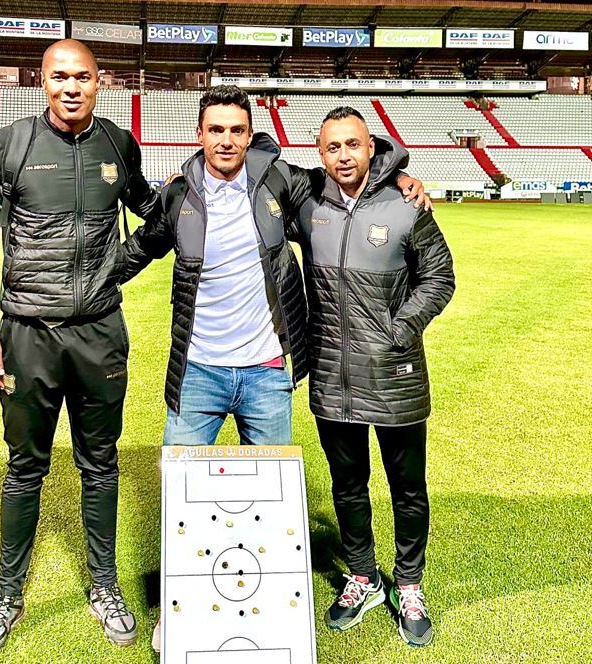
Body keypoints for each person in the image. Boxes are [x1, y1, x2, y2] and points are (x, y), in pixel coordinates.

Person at [120, 85, 430, 652]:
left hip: (266, 370)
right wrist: (81, 288)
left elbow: (349, 175)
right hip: (198, 371)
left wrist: (399, 175)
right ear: (200, 133)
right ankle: (179, 606)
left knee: (269, 501)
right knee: (181, 493)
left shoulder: (278, 181)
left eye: (237, 130)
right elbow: (142, 247)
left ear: (250, 135)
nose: (226, 140)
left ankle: (264, 607)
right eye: (216, 130)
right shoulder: (180, 195)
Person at [0, 39, 160, 657]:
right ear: (42, 81)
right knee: (26, 467)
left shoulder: (118, 146)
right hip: (27, 335)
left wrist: (117, 268)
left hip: (100, 334)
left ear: (101, 82)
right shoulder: (8, 146)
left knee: (99, 463)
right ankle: (8, 592)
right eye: (59, 77)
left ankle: (104, 588)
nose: (71, 87)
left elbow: (157, 221)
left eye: (83, 77)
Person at [290, 107, 455, 646]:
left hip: (394, 371)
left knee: (407, 487)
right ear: (320, 153)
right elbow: (256, 154)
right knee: (348, 484)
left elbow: (440, 277)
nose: (344, 156)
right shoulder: (308, 202)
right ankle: (362, 576)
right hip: (332, 373)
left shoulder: (407, 206)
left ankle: (408, 582)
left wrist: (400, 329)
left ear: (371, 147)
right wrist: (187, 170)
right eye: (332, 147)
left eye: (353, 145)